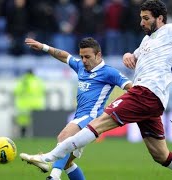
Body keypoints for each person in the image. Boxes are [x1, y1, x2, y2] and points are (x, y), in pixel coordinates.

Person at [20, 1, 172, 179]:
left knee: (98, 123)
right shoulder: (146, 40)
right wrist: (128, 56)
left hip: (146, 93)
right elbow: (134, 57)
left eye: (146, 18)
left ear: (160, 18)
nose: (142, 22)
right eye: (141, 18)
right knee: (160, 155)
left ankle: (48, 158)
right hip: (152, 101)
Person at [21, 37, 132, 180]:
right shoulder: (81, 66)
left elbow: (131, 88)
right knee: (66, 162)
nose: (84, 60)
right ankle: (53, 168)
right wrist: (43, 47)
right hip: (79, 116)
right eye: (82, 57)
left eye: (87, 57)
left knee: (63, 138)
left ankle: (54, 176)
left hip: (92, 118)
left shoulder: (109, 72)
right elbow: (65, 56)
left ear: (98, 55)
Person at [13, 69, 46, 138]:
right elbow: (43, 91)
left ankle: (23, 137)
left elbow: (16, 91)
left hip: (24, 105)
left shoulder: (23, 81)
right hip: (37, 105)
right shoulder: (38, 81)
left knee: (23, 123)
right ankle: (36, 136)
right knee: (36, 123)